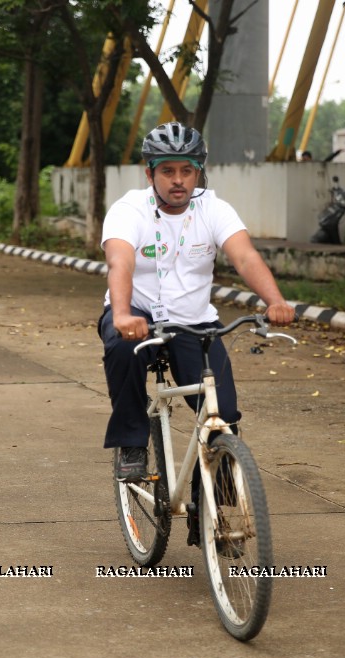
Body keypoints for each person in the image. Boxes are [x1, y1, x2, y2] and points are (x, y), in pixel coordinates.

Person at [99, 122, 295, 486]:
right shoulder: (129, 210)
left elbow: (246, 258)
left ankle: (215, 521)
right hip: (138, 314)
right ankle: (131, 444)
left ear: (197, 173)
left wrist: (275, 301)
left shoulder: (213, 208)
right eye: (168, 171)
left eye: (187, 171)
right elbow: (120, 262)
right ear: (150, 174)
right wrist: (123, 313)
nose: (178, 180)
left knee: (223, 418)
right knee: (122, 349)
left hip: (195, 321)